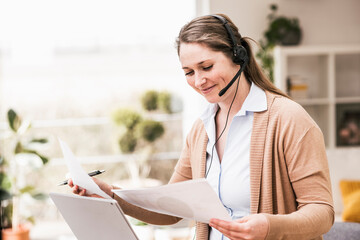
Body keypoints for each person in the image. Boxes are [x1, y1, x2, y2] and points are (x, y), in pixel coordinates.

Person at [69, 13, 334, 240]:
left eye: (206, 66)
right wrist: (110, 194)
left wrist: (269, 227)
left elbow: (322, 213)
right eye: (188, 72)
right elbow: (169, 210)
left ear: (237, 56)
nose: (198, 81)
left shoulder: (288, 119)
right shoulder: (201, 130)